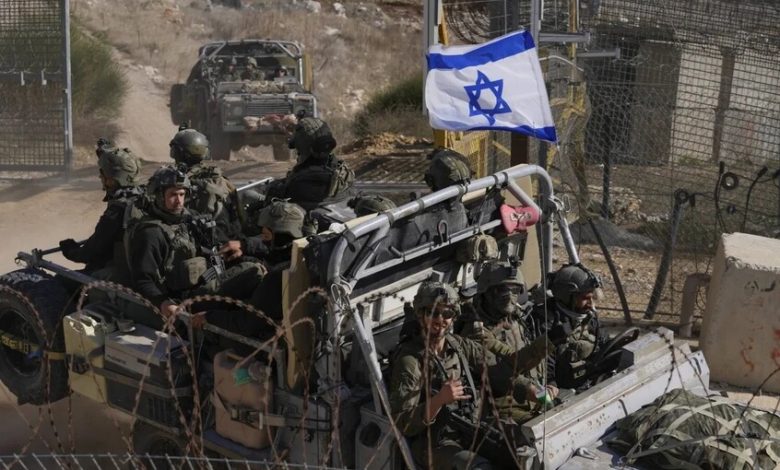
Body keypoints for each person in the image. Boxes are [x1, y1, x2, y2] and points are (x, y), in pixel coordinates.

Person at [389, 281, 568, 470]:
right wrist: (439, 400)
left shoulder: (459, 345)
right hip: (436, 442)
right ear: (421, 314)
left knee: (527, 446)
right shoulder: (410, 361)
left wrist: (539, 394)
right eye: (433, 313)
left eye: (447, 313)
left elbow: (501, 372)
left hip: (473, 427)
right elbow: (403, 423)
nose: (440, 320)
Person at [127, 166, 264, 320]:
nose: (179, 201)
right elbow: (143, 279)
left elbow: (215, 248)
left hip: (207, 279)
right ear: (159, 196)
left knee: (255, 264)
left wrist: (232, 255)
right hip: (183, 300)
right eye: (173, 195)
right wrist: (163, 303)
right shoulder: (151, 233)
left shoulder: (191, 218)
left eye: (182, 194)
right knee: (253, 271)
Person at [458, 260, 557, 422]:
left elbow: (531, 358)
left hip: (536, 400)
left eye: (515, 290)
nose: (510, 297)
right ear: (486, 293)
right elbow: (501, 377)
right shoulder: (475, 332)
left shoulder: (517, 319)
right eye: (502, 290)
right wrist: (540, 394)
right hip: (504, 410)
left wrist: (550, 384)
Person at [59, 139, 144, 279]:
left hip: (124, 275)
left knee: (60, 281)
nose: (100, 177)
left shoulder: (118, 210)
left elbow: (90, 252)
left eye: (103, 174)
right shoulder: (148, 198)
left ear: (112, 179)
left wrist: (71, 251)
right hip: (143, 270)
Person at [532, 263, 608, 390]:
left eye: (592, 298)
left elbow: (603, 343)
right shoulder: (547, 324)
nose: (591, 304)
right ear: (567, 297)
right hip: (565, 393)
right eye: (585, 298)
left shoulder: (588, 316)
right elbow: (545, 372)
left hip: (589, 383)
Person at [267, 117, 355, 212]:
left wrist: (272, 190)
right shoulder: (341, 170)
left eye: (298, 150)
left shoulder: (303, 181)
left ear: (302, 148)